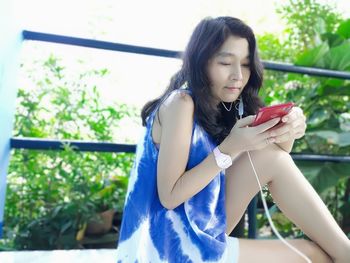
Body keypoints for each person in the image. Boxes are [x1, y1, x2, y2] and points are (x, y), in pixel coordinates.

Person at [115, 16, 350, 263]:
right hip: (163, 244)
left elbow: (274, 160)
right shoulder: (180, 103)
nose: (238, 75)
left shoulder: (229, 108)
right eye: (226, 62)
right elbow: (169, 196)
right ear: (201, 62)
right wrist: (231, 147)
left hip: (198, 227)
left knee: (320, 252)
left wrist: (288, 129)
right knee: (312, 255)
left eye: (246, 64)